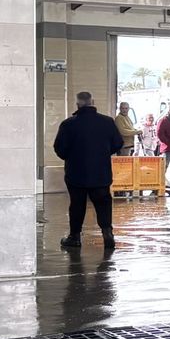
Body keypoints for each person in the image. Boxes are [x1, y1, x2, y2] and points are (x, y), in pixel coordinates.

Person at [52, 91, 123, 249]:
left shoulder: (68, 124)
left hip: (76, 173)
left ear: (77, 104)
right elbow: (118, 143)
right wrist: (103, 153)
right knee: (103, 203)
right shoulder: (107, 122)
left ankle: (75, 237)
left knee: (77, 205)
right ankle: (107, 234)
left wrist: (71, 158)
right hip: (101, 173)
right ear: (93, 102)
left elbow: (59, 148)